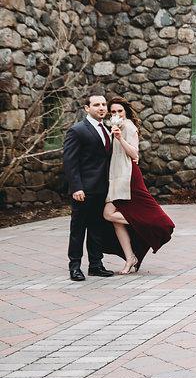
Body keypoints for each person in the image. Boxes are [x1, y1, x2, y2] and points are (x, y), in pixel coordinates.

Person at [102, 97, 175, 274]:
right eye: (113, 112)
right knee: (115, 220)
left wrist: (119, 138)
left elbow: (134, 153)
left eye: (120, 111)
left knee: (108, 214)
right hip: (114, 176)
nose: (117, 114)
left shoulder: (129, 126)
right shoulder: (109, 127)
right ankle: (130, 258)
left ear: (125, 111)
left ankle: (148, 226)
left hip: (128, 177)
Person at [62, 93, 115, 281]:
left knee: (96, 229)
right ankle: (74, 267)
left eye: (103, 104)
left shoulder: (107, 129)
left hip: (102, 189)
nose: (101, 108)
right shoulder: (77, 130)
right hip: (83, 190)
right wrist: (76, 187)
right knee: (78, 230)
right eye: (96, 105)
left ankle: (96, 265)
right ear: (87, 108)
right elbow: (70, 162)